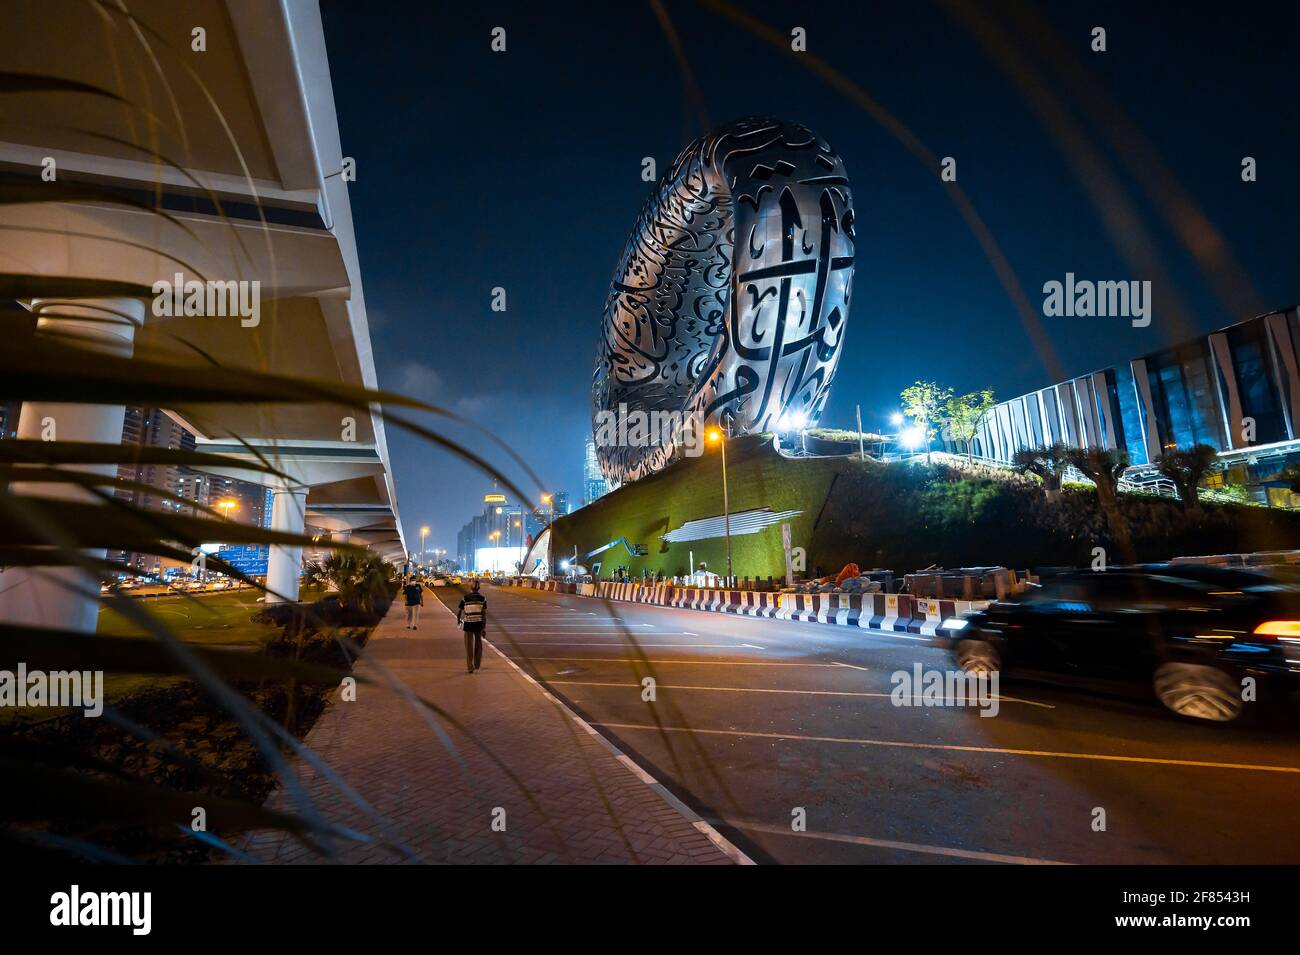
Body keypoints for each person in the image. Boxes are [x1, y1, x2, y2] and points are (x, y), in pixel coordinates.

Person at [457, 580, 487, 673]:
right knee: (478, 644)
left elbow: (459, 611)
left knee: (468, 646)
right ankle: (477, 664)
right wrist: (484, 628)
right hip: (478, 624)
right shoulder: (483, 599)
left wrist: (458, 620)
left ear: (470, 588)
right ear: (479, 588)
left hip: (468, 624)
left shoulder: (465, 598)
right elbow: (484, 614)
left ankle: (470, 667)